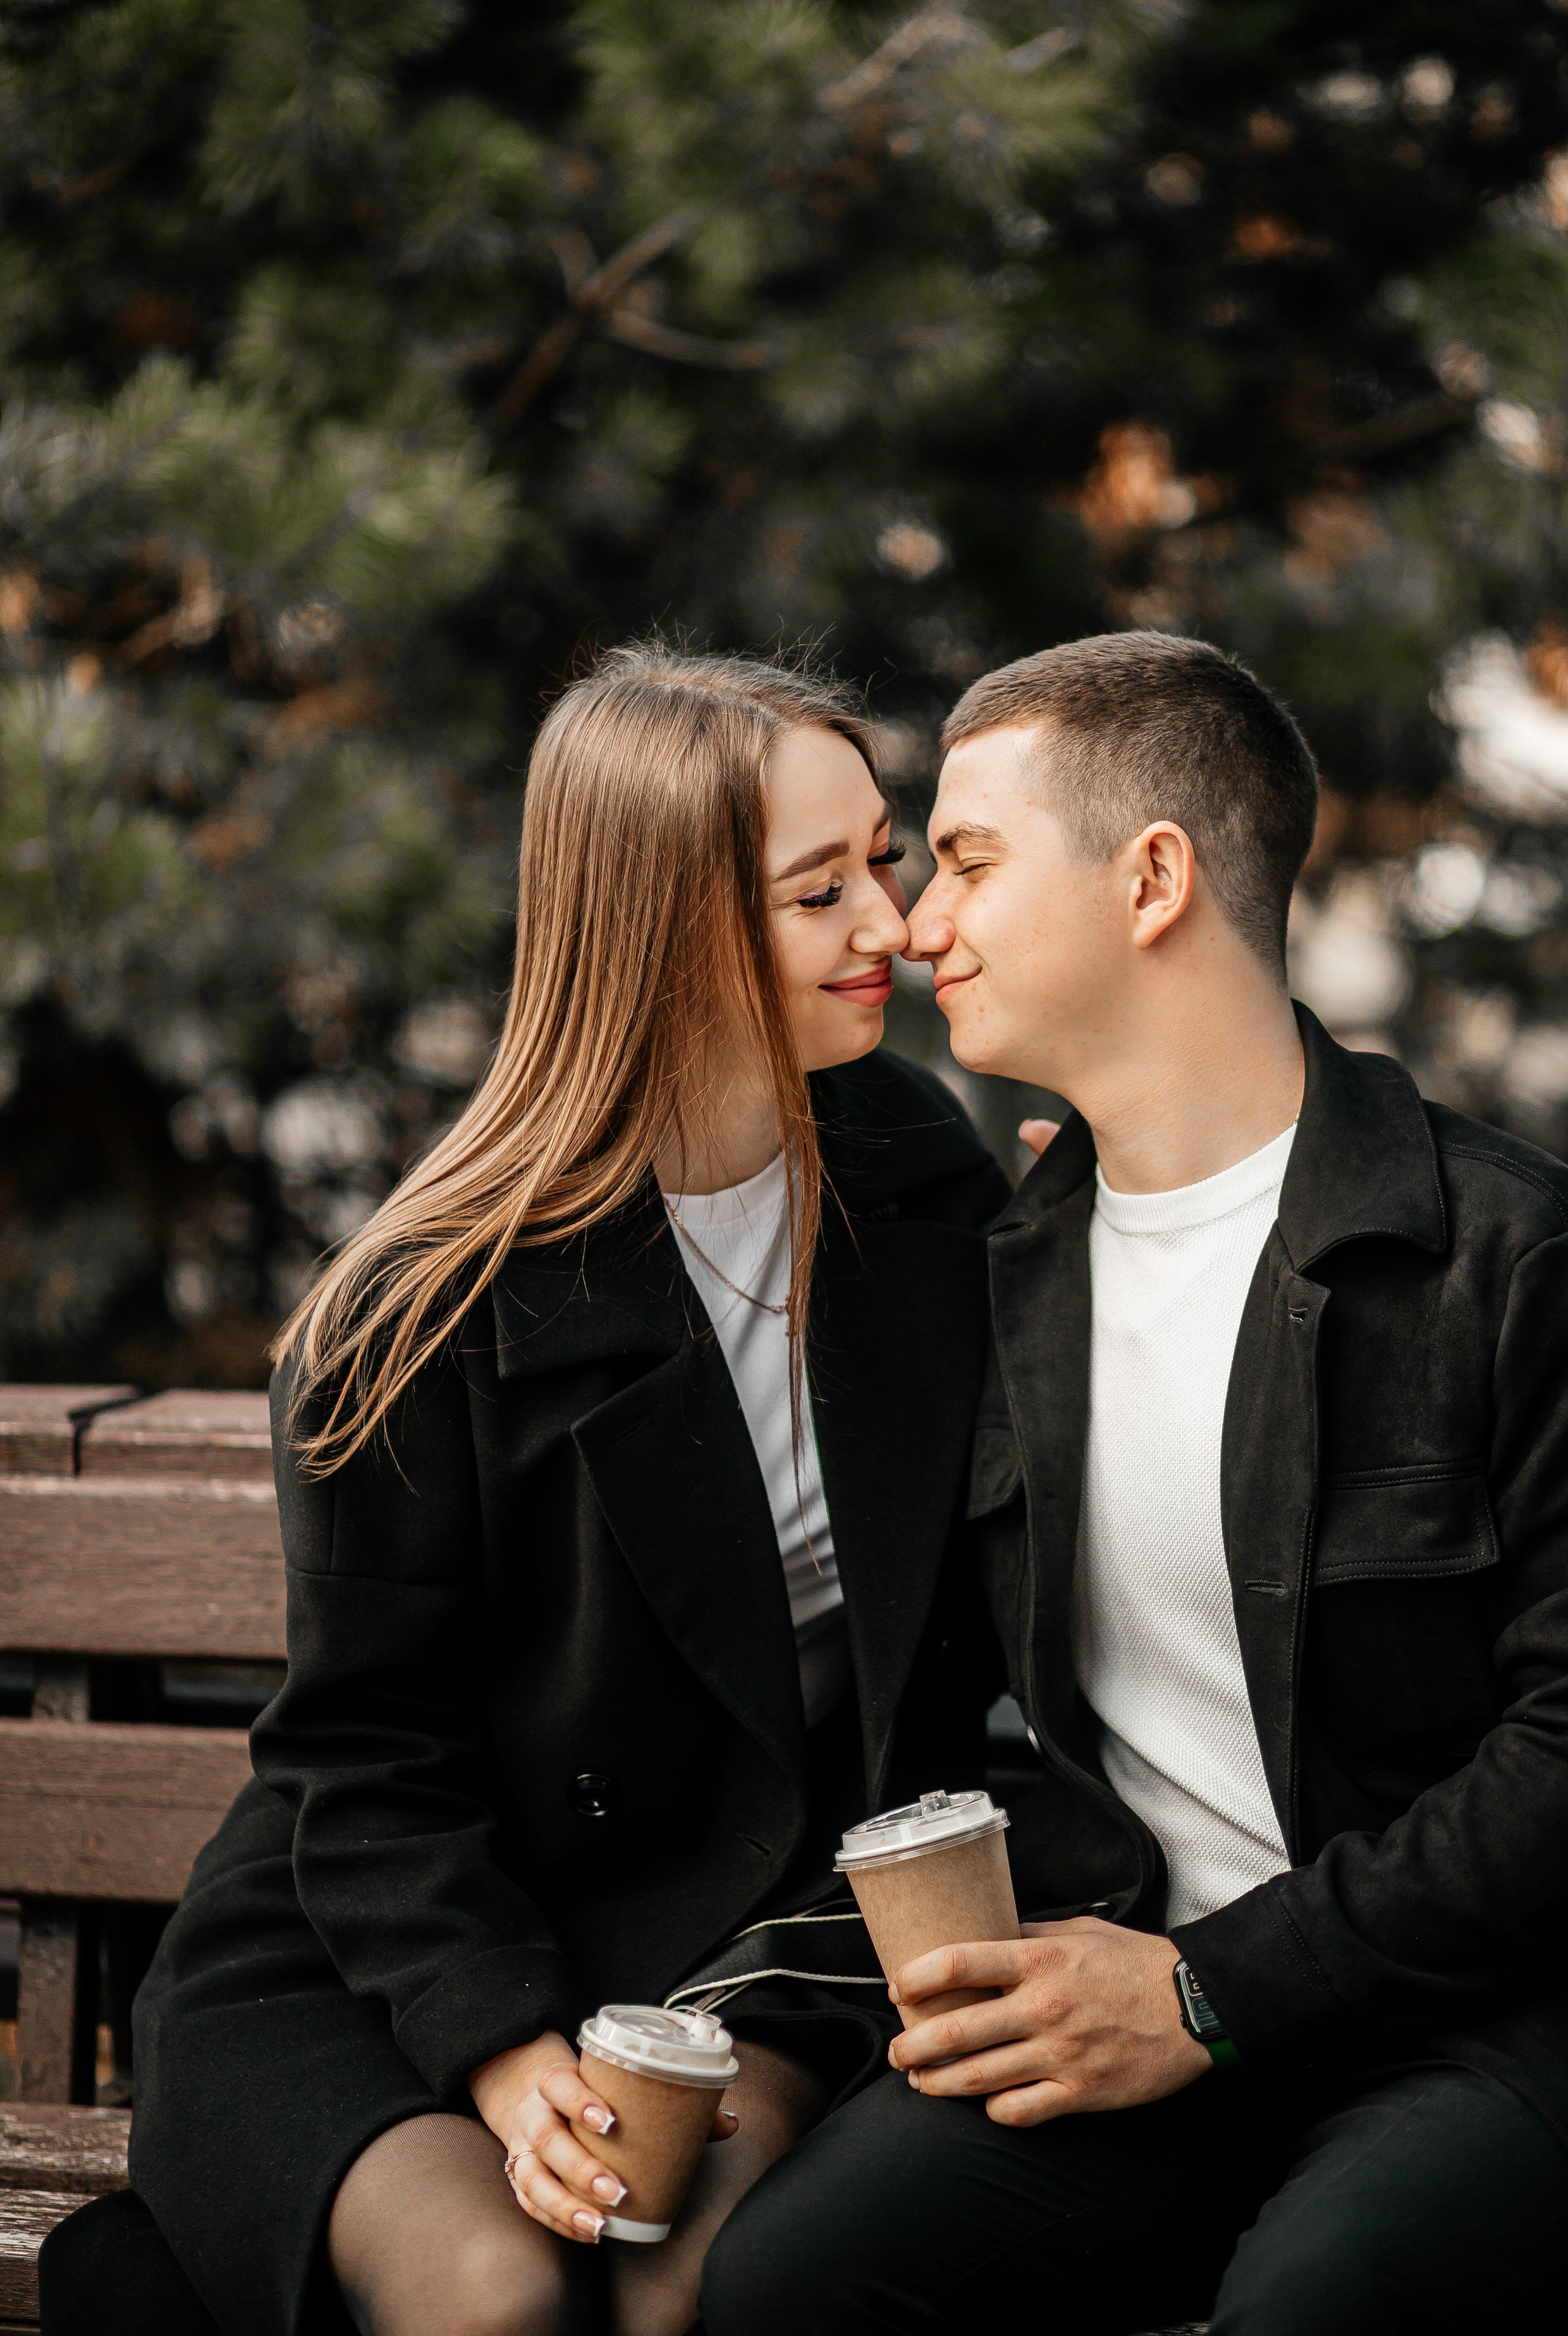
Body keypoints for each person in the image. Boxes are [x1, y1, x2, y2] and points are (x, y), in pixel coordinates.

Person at [39, 645, 1010, 2336]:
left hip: (753, 1934)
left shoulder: (917, 1172)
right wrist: (499, 2052)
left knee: (682, 2287)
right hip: (392, 1949)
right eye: (818, 892)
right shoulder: (422, 1307)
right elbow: (364, 1757)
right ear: (667, 926)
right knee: (492, 2296)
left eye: (884, 858)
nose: (895, 922)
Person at [701, 630, 1568, 2335]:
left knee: (1322, 2301)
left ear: (1153, 880)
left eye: (967, 860)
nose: (913, 925)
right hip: (1122, 1981)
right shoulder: (1003, 1271)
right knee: (789, 2284)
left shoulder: (1525, 1264)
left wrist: (1211, 1993)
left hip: (1484, 2019)